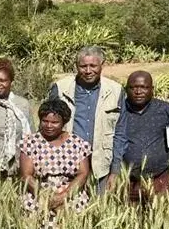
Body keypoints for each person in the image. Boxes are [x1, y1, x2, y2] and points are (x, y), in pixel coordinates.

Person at [49, 46, 126, 194]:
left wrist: (115, 170)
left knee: (100, 210)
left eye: (93, 66)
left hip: (101, 165)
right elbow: (47, 125)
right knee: (67, 210)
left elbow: (120, 132)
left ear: (101, 65)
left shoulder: (115, 91)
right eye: (83, 66)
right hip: (67, 164)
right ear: (77, 67)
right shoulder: (61, 88)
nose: (88, 71)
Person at [20, 100, 91, 229]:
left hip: (71, 195)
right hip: (39, 195)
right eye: (45, 121)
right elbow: (26, 175)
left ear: (64, 122)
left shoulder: (78, 143)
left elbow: (83, 173)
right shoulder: (30, 143)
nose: (49, 126)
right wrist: (47, 196)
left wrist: (64, 195)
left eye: (54, 122)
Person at [124, 71, 169, 205]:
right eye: (133, 87)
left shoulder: (167, 110)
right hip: (127, 181)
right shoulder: (118, 111)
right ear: (126, 89)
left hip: (160, 179)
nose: (138, 91)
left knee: (160, 218)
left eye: (144, 87)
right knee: (131, 222)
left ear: (152, 89)